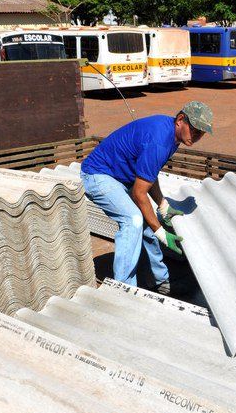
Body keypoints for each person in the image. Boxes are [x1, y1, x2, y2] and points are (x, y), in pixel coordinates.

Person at [80, 101, 213, 293]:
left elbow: (149, 174)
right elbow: (139, 192)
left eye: (201, 133)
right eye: (195, 130)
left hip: (120, 176)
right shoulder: (159, 139)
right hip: (97, 175)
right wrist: (161, 231)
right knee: (133, 220)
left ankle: (160, 282)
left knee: (148, 227)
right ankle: (122, 289)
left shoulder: (172, 135)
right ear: (181, 120)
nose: (197, 136)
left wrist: (162, 204)